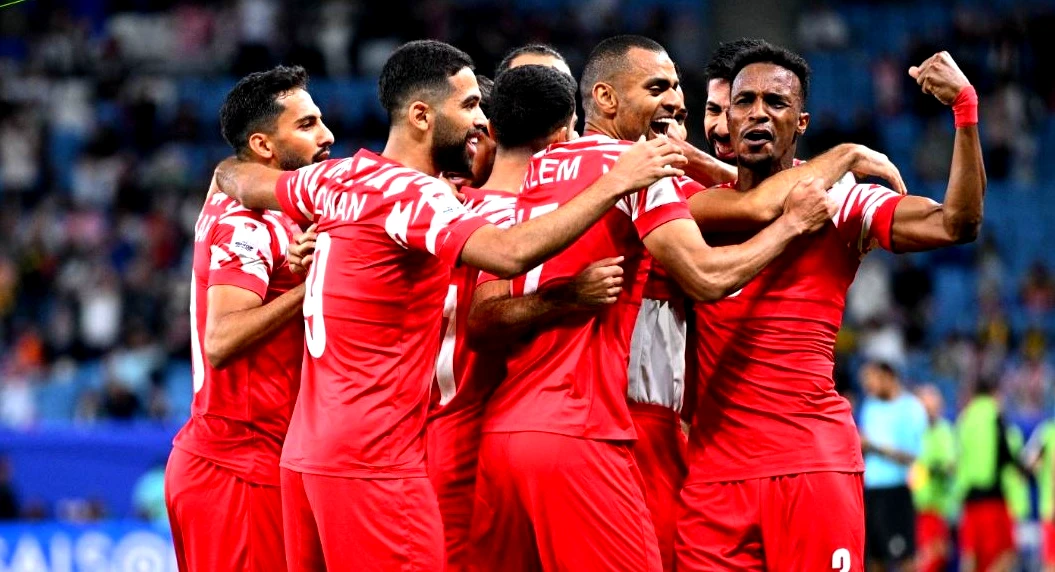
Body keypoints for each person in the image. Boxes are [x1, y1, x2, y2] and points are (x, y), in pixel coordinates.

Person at [212, 39, 687, 571]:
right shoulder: (417, 196)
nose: (482, 119)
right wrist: (615, 182)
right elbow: (508, 253)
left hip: (306, 457)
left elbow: (238, 177)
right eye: (469, 105)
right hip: (377, 460)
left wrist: (230, 181)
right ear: (421, 116)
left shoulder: (336, 178)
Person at [468, 34, 845, 571]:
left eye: (678, 95)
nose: (671, 101)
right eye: (657, 88)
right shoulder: (639, 171)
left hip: (503, 434)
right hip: (590, 429)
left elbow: (483, 318)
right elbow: (712, 268)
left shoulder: (531, 176)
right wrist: (803, 211)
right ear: (604, 98)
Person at [677, 42, 986, 571]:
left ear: (801, 123)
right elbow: (750, 202)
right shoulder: (693, 208)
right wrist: (844, 155)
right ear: (727, 117)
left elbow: (956, 223)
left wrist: (965, 109)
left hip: (811, 465)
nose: (757, 113)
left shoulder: (841, 202)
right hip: (713, 479)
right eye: (745, 101)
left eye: (776, 102)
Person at [428, 64, 623, 571]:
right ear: (566, 132)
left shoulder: (446, 209)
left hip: (450, 433)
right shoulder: (543, 223)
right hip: (483, 433)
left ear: (492, 128)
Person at [165, 65, 333, 572]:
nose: (326, 135)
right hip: (236, 469)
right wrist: (309, 289)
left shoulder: (265, 207)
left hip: (251, 462)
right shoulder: (246, 222)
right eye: (306, 125)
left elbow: (228, 171)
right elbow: (222, 338)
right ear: (262, 145)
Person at [858, 362, 927, 572]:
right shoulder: (870, 407)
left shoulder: (912, 408)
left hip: (896, 493)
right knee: (873, 560)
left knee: (905, 559)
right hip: (870, 492)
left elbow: (912, 456)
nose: (868, 385)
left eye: (872, 379)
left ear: (888, 377)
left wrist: (875, 447)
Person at [956, 378, 1025, 572]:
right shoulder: (994, 415)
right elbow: (1005, 453)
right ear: (994, 393)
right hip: (992, 497)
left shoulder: (965, 418)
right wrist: (1023, 470)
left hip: (968, 496)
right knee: (1004, 553)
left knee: (971, 553)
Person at [912, 384, 956, 572]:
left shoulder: (944, 431)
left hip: (937, 506)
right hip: (914, 506)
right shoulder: (914, 431)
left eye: (932, 406)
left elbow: (949, 465)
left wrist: (934, 469)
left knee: (934, 557)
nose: (928, 411)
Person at [702, 38, 768, 164]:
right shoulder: (677, 174)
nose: (722, 130)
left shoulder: (804, 174)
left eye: (737, 111)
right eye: (714, 110)